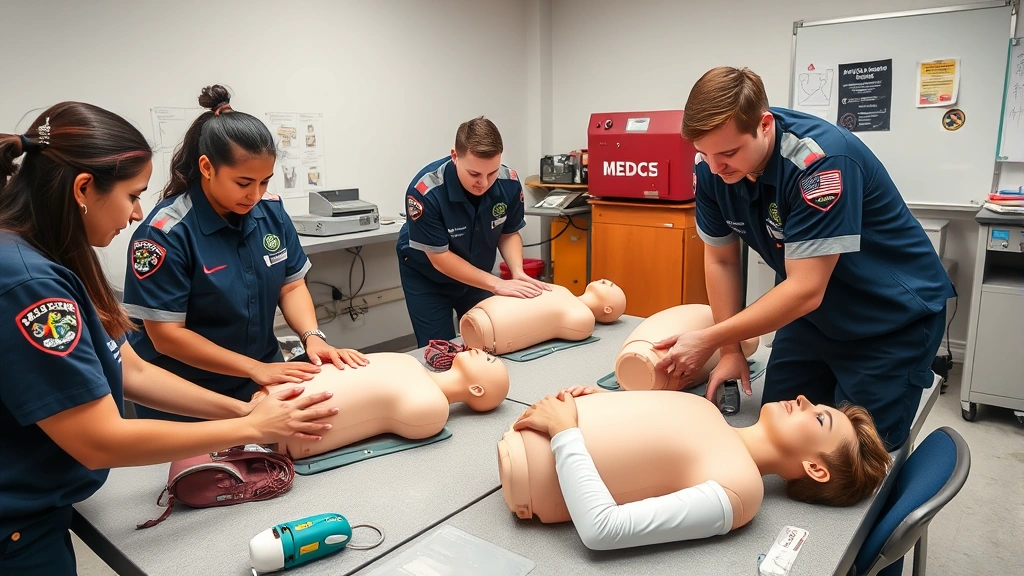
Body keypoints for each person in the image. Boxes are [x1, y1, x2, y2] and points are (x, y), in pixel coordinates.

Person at [0, 103, 338, 575]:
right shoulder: (28, 283)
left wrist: (248, 410)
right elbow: (101, 438)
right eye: (132, 194)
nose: (138, 211)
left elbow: (130, 368)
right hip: (15, 528)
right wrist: (252, 426)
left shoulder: (42, 257)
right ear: (82, 189)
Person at [653, 67, 955, 450]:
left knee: (858, 456)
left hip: (888, 319)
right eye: (704, 153)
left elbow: (806, 288)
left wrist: (709, 340)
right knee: (779, 435)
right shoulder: (711, 168)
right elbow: (722, 261)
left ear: (764, 125)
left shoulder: (820, 164)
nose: (715, 167)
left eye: (728, 153)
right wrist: (730, 351)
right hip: (812, 318)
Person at [121, 85, 368, 422]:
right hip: (190, 392)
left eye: (264, 181)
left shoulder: (270, 212)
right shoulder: (164, 234)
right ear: (207, 167)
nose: (255, 194)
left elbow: (291, 285)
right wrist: (254, 368)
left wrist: (313, 337)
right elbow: (167, 336)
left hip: (261, 375)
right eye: (243, 183)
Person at [505, 387, 891, 550]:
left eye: (819, 419)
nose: (805, 399)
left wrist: (566, 431)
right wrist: (605, 404)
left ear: (815, 469)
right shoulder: (707, 409)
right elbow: (655, 442)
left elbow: (603, 530)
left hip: (530, 469)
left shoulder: (742, 490)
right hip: (537, 431)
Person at [396, 116, 550, 348]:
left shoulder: (508, 183)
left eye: (492, 173)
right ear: (455, 156)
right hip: (429, 276)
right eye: (474, 174)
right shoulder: (425, 192)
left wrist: (517, 272)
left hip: (478, 272)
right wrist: (496, 284)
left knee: (489, 340)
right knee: (441, 350)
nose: (484, 183)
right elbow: (440, 259)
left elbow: (508, 233)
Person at [254, 349, 509, 459]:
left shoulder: (433, 407)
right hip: (278, 399)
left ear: (477, 390)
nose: (485, 353)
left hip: (284, 425)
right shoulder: (411, 364)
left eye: (489, 361)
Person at [459, 279, 626, 355]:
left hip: (493, 328)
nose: (608, 281)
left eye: (613, 287)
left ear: (608, 310)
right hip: (485, 315)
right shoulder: (564, 290)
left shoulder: (583, 318)